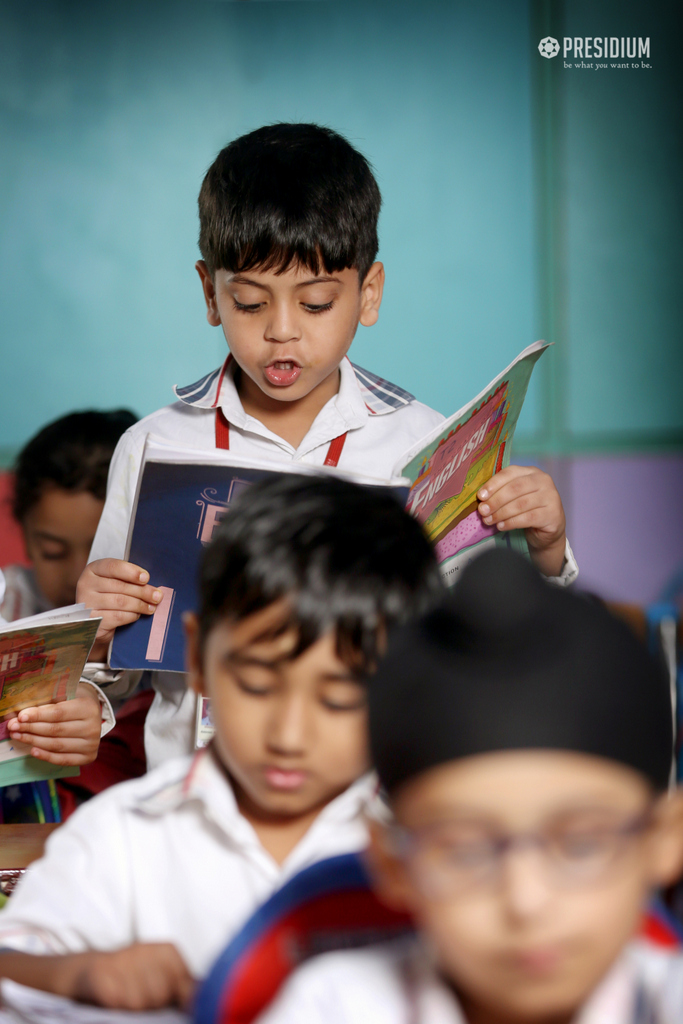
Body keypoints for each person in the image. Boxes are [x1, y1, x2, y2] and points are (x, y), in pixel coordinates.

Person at [76, 122, 578, 772]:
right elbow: (113, 679)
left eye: (314, 304)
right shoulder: (153, 446)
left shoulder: (423, 444)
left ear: (368, 293)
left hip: (371, 800)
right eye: (250, 303)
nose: (281, 333)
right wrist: (91, 631)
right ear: (209, 293)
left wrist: (546, 550)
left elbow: (491, 646)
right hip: (193, 806)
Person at [0, 474, 442, 1011]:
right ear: (199, 658)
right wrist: (74, 974)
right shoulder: (122, 837)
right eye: (256, 685)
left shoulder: (426, 856)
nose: (288, 736)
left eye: (338, 699)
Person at [256, 549, 683, 1024]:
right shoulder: (330, 1008)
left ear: (663, 840)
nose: (526, 902)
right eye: (464, 850)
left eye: (581, 843)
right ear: (392, 863)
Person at [0, 410, 137, 822]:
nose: (79, 573)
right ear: (22, 530)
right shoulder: (9, 601)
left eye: (103, 549)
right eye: (53, 551)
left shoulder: (154, 627)